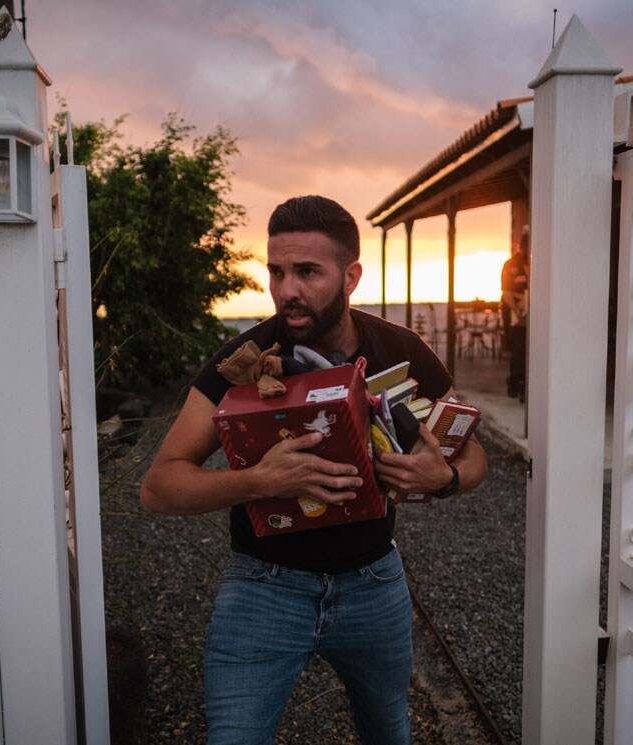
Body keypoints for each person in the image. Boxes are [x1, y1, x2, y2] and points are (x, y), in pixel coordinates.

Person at [141, 195, 487, 745]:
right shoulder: (242, 359)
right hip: (262, 587)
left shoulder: (402, 349)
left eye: (306, 272)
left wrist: (441, 480)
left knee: (390, 733)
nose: (286, 291)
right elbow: (160, 485)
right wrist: (261, 481)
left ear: (351, 276)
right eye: (276, 272)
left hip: (375, 584)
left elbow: (473, 454)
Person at [501, 228, 529, 402]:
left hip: (533, 315)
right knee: (518, 351)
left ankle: (526, 385)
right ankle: (515, 384)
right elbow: (506, 292)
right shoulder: (511, 265)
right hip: (516, 316)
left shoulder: (536, 261)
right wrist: (518, 309)